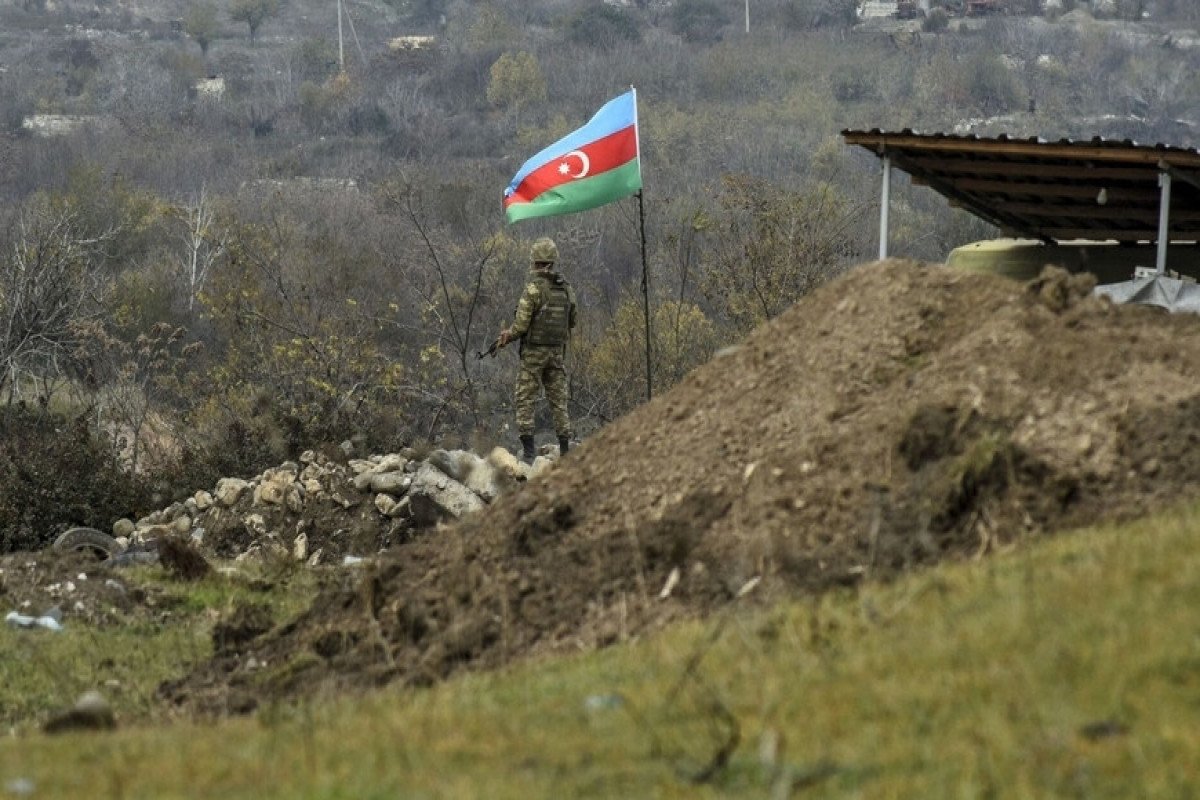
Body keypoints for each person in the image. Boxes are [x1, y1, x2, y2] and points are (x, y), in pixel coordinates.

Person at [497, 237, 577, 463]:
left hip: (533, 354)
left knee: (525, 399)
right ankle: (565, 451)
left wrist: (507, 335)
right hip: (556, 353)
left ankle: (530, 455)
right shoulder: (567, 290)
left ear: (536, 263)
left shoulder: (532, 290)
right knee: (559, 402)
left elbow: (521, 326)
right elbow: (572, 321)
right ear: (553, 261)